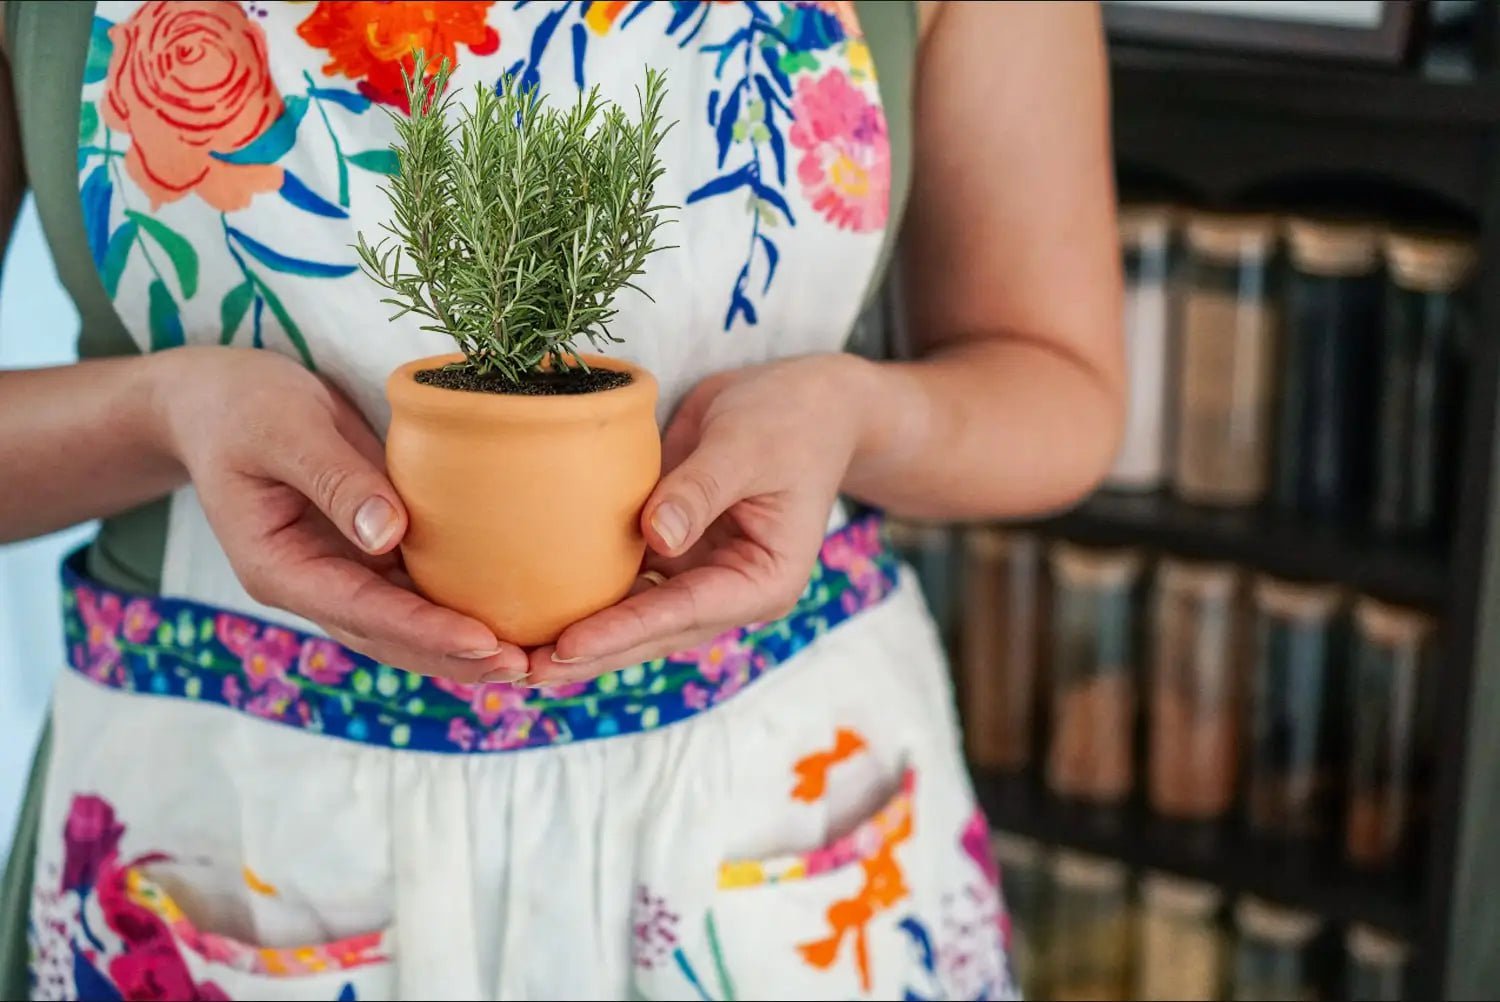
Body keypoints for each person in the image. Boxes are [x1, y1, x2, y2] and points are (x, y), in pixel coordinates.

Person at [0, 1, 1120, 999]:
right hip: (236, 821)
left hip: (773, 795)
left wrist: (855, 417)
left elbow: (1058, 388)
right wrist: (161, 415)